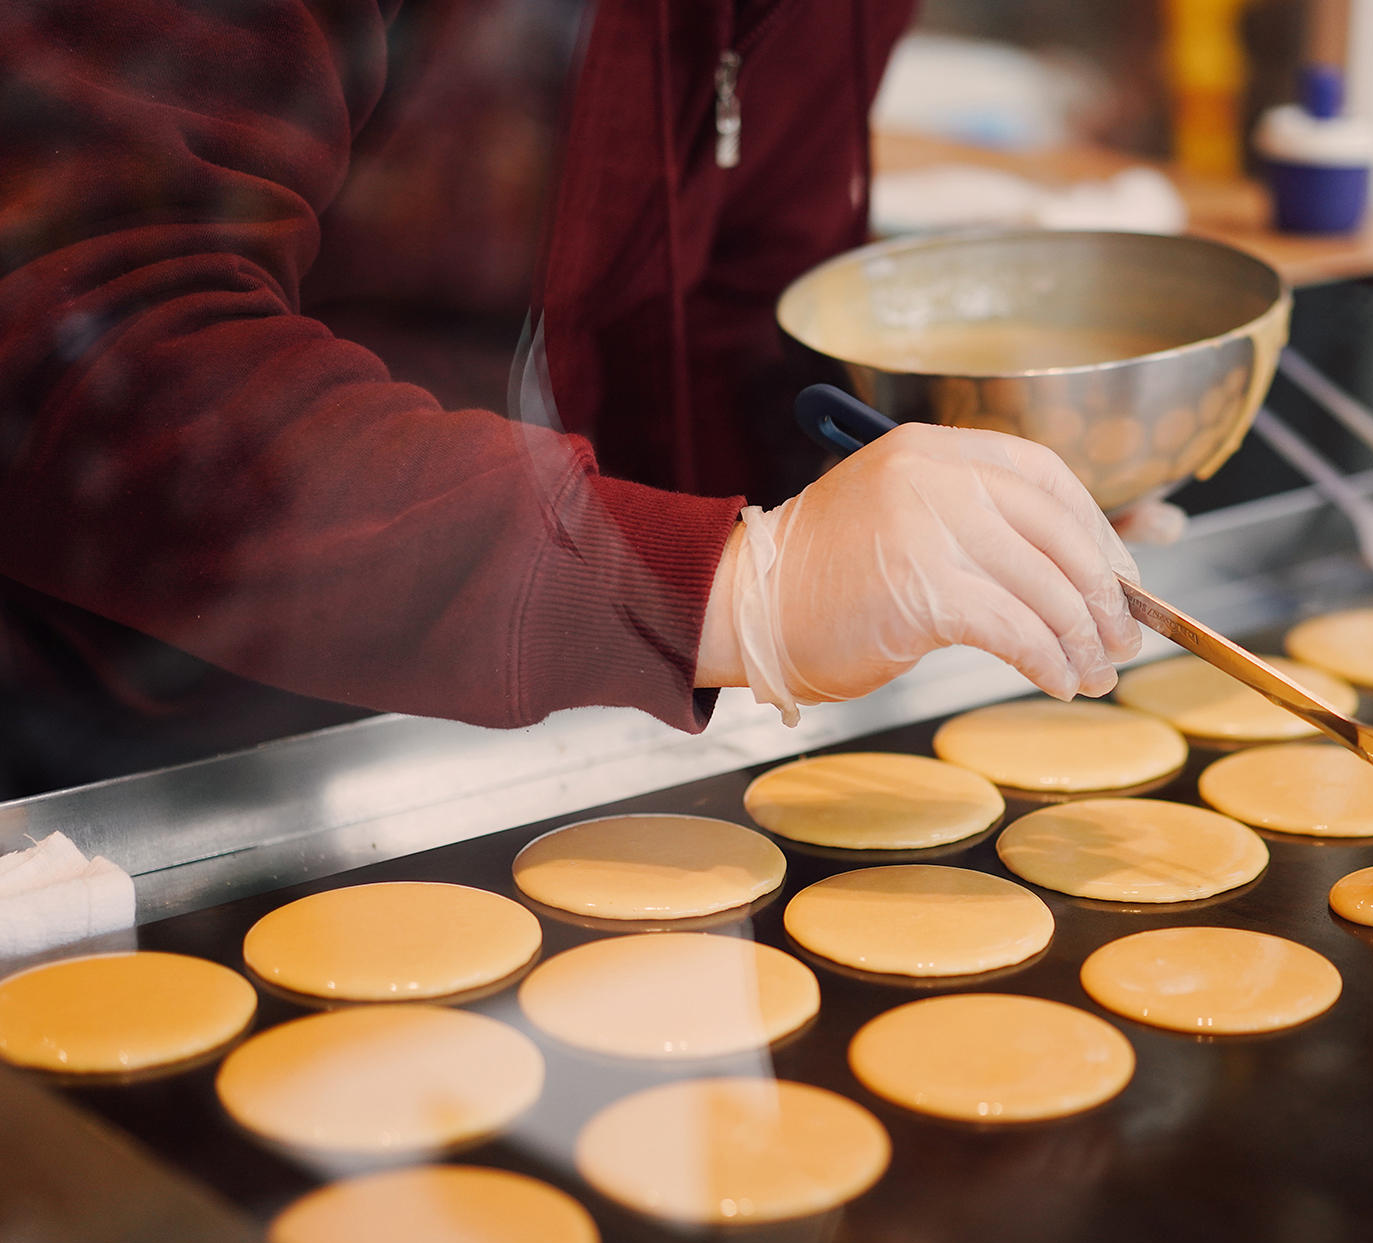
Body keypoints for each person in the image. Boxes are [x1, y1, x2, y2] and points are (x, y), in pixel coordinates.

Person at [0, 0, 1151, 796]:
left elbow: (735, 301)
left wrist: (925, 519)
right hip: (126, 748)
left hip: (491, 727)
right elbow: (95, 346)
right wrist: (716, 585)